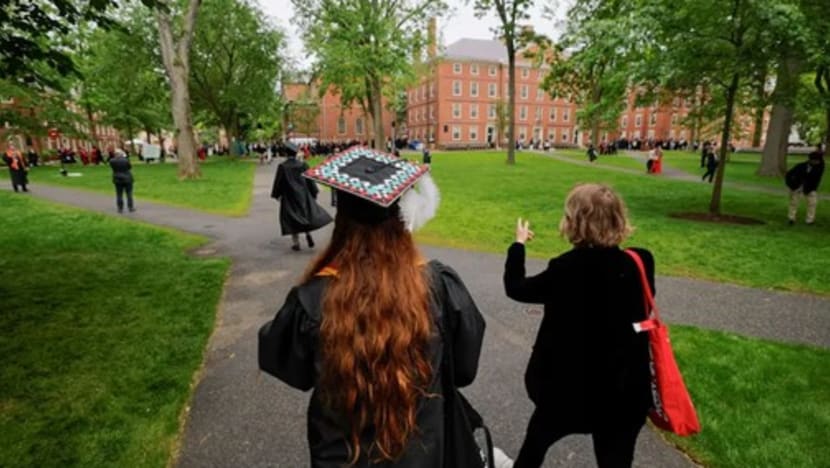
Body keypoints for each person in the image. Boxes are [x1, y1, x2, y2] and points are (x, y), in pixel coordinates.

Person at [259, 147, 488, 467]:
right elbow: (463, 370)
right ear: (399, 218)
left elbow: (287, 367)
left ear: (342, 221)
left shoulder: (313, 300)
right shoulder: (438, 288)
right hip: (423, 456)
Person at [503, 183, 653, 468]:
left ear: (575, 222)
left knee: (533, 450)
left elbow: (517, 288)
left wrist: (518, 244)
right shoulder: (640, 261)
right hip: (623, 392)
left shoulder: (565, 269)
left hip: (565, 391)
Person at [270, 144, 332, 250]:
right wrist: (313, 192)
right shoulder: (303, 165)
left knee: (292, 218)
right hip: (303, 194)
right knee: (305, 215)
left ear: (285, 153)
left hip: (289, 196)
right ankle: (308, 234)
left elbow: (279, 182)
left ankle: (296, 243)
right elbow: (309, 180)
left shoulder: (283, 166)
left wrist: (276, 194)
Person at [785, 145, 825, 225]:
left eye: (818, 161)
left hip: (810, 188)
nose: (817, 162)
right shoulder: (800, 166)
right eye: (816, 161)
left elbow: (817, 177)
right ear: (811, 160)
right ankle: (791, 218)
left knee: (812, 203)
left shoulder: (819, 167)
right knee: (794, 203)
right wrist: (790, 184)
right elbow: (789, 174)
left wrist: (813, 187)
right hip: (796, 186)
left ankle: (810, 220)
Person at [109, 149, 135, 213]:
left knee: (119, 194)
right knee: (129, 193)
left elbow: (112, 167)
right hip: (127, 178)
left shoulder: (112, 161)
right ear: (121, 154)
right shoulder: (126, 160)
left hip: (117, 178)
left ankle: (120, 208)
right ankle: (130, 207)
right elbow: (129, 167)